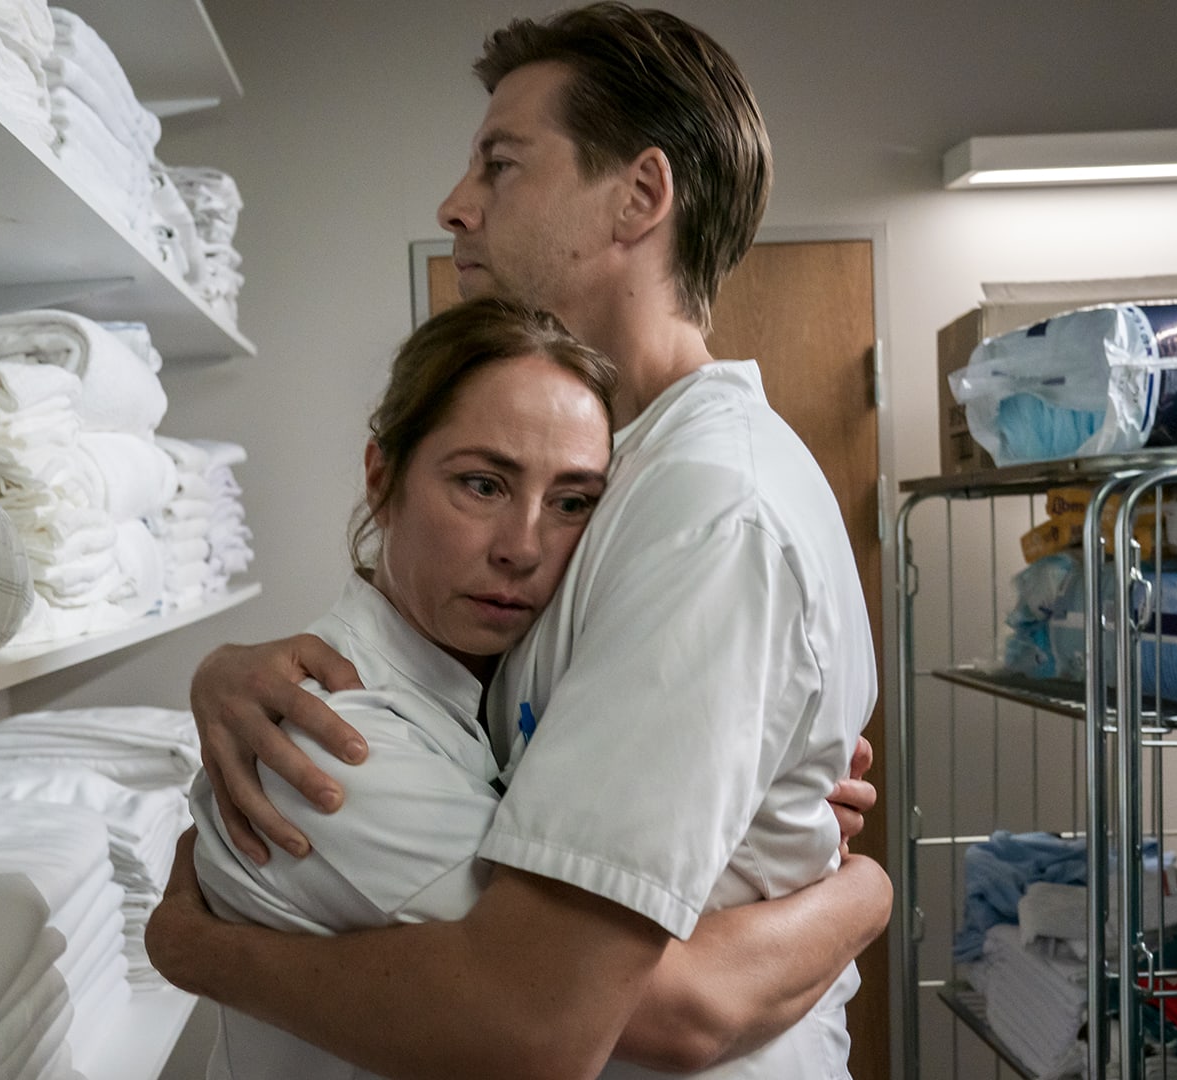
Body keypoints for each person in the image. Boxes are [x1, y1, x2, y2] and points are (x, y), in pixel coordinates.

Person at [148, 5, 890, 1077]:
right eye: (484, 483)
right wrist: (224, 669)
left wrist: (196, 950)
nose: (456, 206)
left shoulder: (710, 509)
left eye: (501, 164)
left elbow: (541, 1014)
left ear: (640, 195)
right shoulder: (626, 478)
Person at [188, 296, 890, 1077]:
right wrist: (865, 892)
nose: (522, 547)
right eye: (483, 485)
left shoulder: (509, 690)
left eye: (571, 502)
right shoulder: (330, 745)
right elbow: (642, 1007)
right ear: (382, 480)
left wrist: (757, 803)